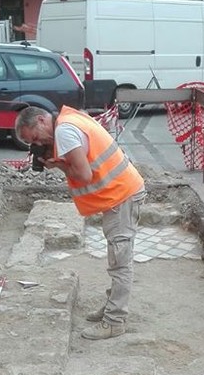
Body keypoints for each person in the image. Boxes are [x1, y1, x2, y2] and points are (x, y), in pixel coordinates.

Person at [15, 105, 146, 340]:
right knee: (118, 258)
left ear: (42, 120)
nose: (37, 144)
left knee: (120, 262)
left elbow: (84, 174)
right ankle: (111, 307)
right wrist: (58, 164)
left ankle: (115, 320)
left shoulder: (64, 131)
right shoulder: (69, 118)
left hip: (122, 195)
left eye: (35, 138)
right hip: (120, 193)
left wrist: (60, 166)